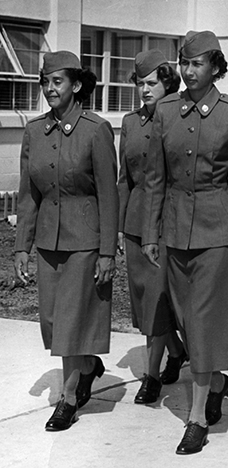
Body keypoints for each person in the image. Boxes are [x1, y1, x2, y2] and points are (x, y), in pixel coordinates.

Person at [141, 30, 228, 455]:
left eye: (197, 63)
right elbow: (156, 179)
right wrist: (149, 232)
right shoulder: (164, 112)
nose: (189, 70)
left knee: (204, 320)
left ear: (215, 66)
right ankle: (216, 382)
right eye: (184, 63)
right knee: (184, 317)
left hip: (220, 232)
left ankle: (196, 418)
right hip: (175, 229)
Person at [14, 51, 118, 431]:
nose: (49, 89)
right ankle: (88, 365)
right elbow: (28, 196)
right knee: (54, 321)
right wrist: (22, 246)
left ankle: (69, 396)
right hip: (47, 242)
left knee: (72, 322)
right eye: (44, 81)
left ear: (75, 85)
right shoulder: (34, 132)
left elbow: (109, 194)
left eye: (57, 81)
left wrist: (108, 251)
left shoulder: (96, 129)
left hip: (85, 241)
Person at [117, 50, 187, 404]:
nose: (144, 90)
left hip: (166, 221)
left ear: (167, 83)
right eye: (140, 84)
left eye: (151, 83)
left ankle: (151, 374)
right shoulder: (130, 123)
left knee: (159, 300)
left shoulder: (179, 116)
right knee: (146, 302)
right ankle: (176, 352)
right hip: (134, 222)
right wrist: (118, 227)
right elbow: (124, 180)